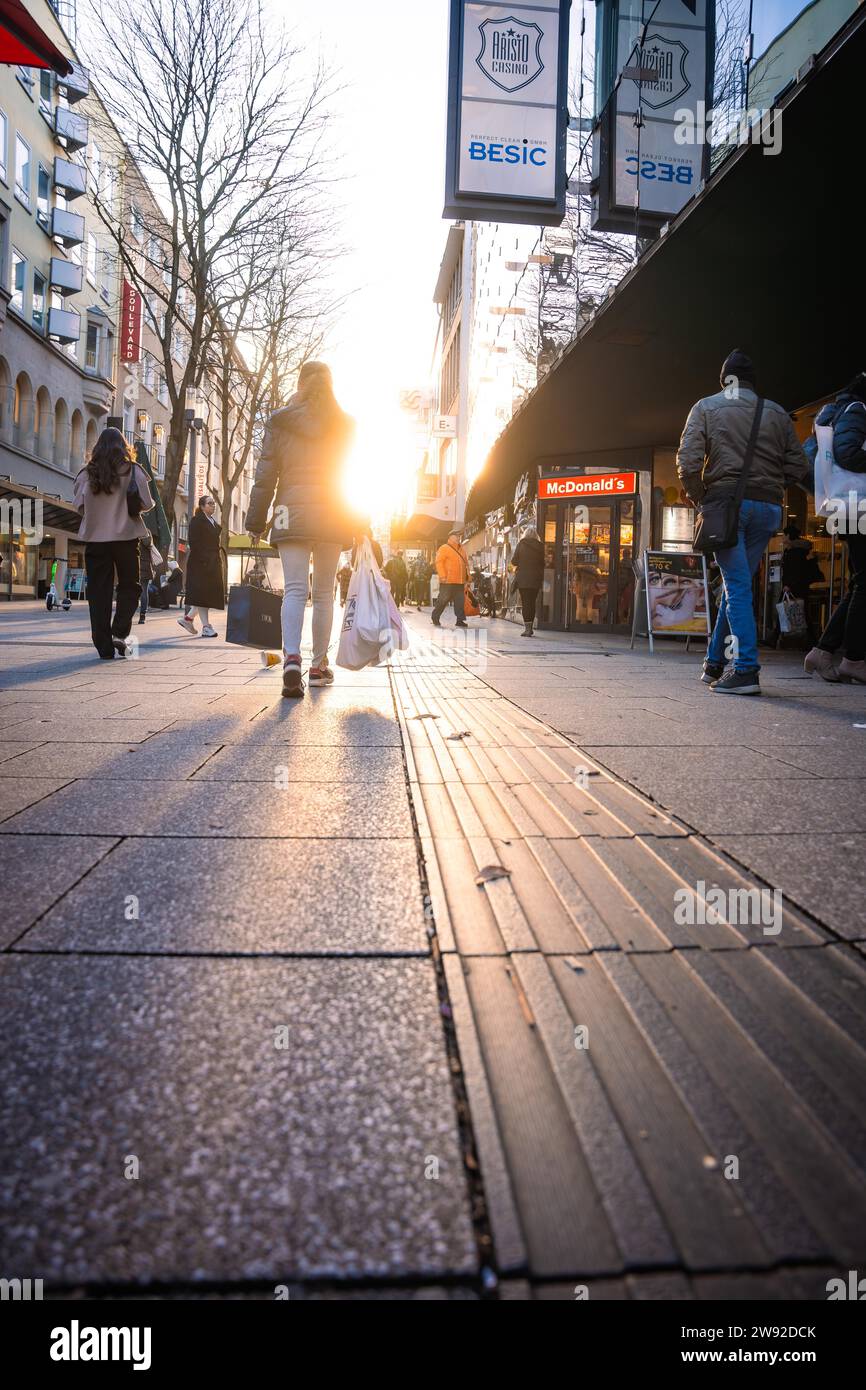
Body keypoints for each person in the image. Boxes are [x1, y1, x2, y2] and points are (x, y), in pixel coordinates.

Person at [677, 349, 809, 694]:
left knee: (736, 586)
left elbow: (688, 460)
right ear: (752, 382)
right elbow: (798, 466)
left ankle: (746, 670)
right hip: (767, 509)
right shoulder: (777, 413)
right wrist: (770, 481)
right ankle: (714, 663)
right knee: (736, 584)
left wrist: (700, 496)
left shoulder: (706, 407)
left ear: (724, 380)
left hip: (726, 508)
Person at [245, 361, 356, 697]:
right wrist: (360, 523)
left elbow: (266, 474)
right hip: (333, 513)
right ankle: (319, 667)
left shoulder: (280, 420)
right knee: (323, 594)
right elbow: (353, 477)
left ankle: (291, 657)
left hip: (287, 512)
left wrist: (255, 520)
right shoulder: (345, 423)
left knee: (294, 590)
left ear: (301, 383)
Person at [803, 372, 866, 683]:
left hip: (845, 506)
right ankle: (852, 658)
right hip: (858, 506)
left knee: (860, 582)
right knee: (864, 582)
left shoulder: (833, 411)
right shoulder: (857, 409)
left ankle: (825, 651)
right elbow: (850, 453)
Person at [72, 426, 155, 659]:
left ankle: (103, 645)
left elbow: (78, 505)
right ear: (123, 446)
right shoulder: (133, 470)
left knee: (99, 592)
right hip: (126, 538)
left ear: (97, 447)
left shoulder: (86, 474)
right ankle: (119, 631)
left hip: (96, 541)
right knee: (131, 586)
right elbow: (147, 503)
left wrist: (98, 515)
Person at [177, 497, 224, 637]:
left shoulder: (212, 522)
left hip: (212, 562)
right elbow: (194, 543)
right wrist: (205, 561)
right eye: (210, 503)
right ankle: (206, 627)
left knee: (205, 595)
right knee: (204, 595)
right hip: (200, 564)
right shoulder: (197, 521)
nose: (213, 505)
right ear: (202, 506)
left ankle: (188, 619)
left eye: (214, 503)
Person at [431, 528, 470, 628]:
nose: (458, 538)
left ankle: (460, 620)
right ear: (450, 537)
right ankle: (435, 617)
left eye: (459, 536)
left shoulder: (462, 550)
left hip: (460, 581)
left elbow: (466, 565)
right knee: (442, 600)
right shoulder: (444, 548)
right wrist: (442, 576)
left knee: (460, 602)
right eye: (456, 536)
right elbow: (439, 562)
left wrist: (468, 579)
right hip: (447, 581)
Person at [510, 527, 545, 636]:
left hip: (523, 579)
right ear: (536, 535)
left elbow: (514, 561)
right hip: (535, 579)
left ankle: (527, 629)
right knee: (532, 602)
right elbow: (543, 563)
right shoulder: (540, 546)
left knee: (526, 603)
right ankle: (530, 627)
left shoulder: (521, 544)